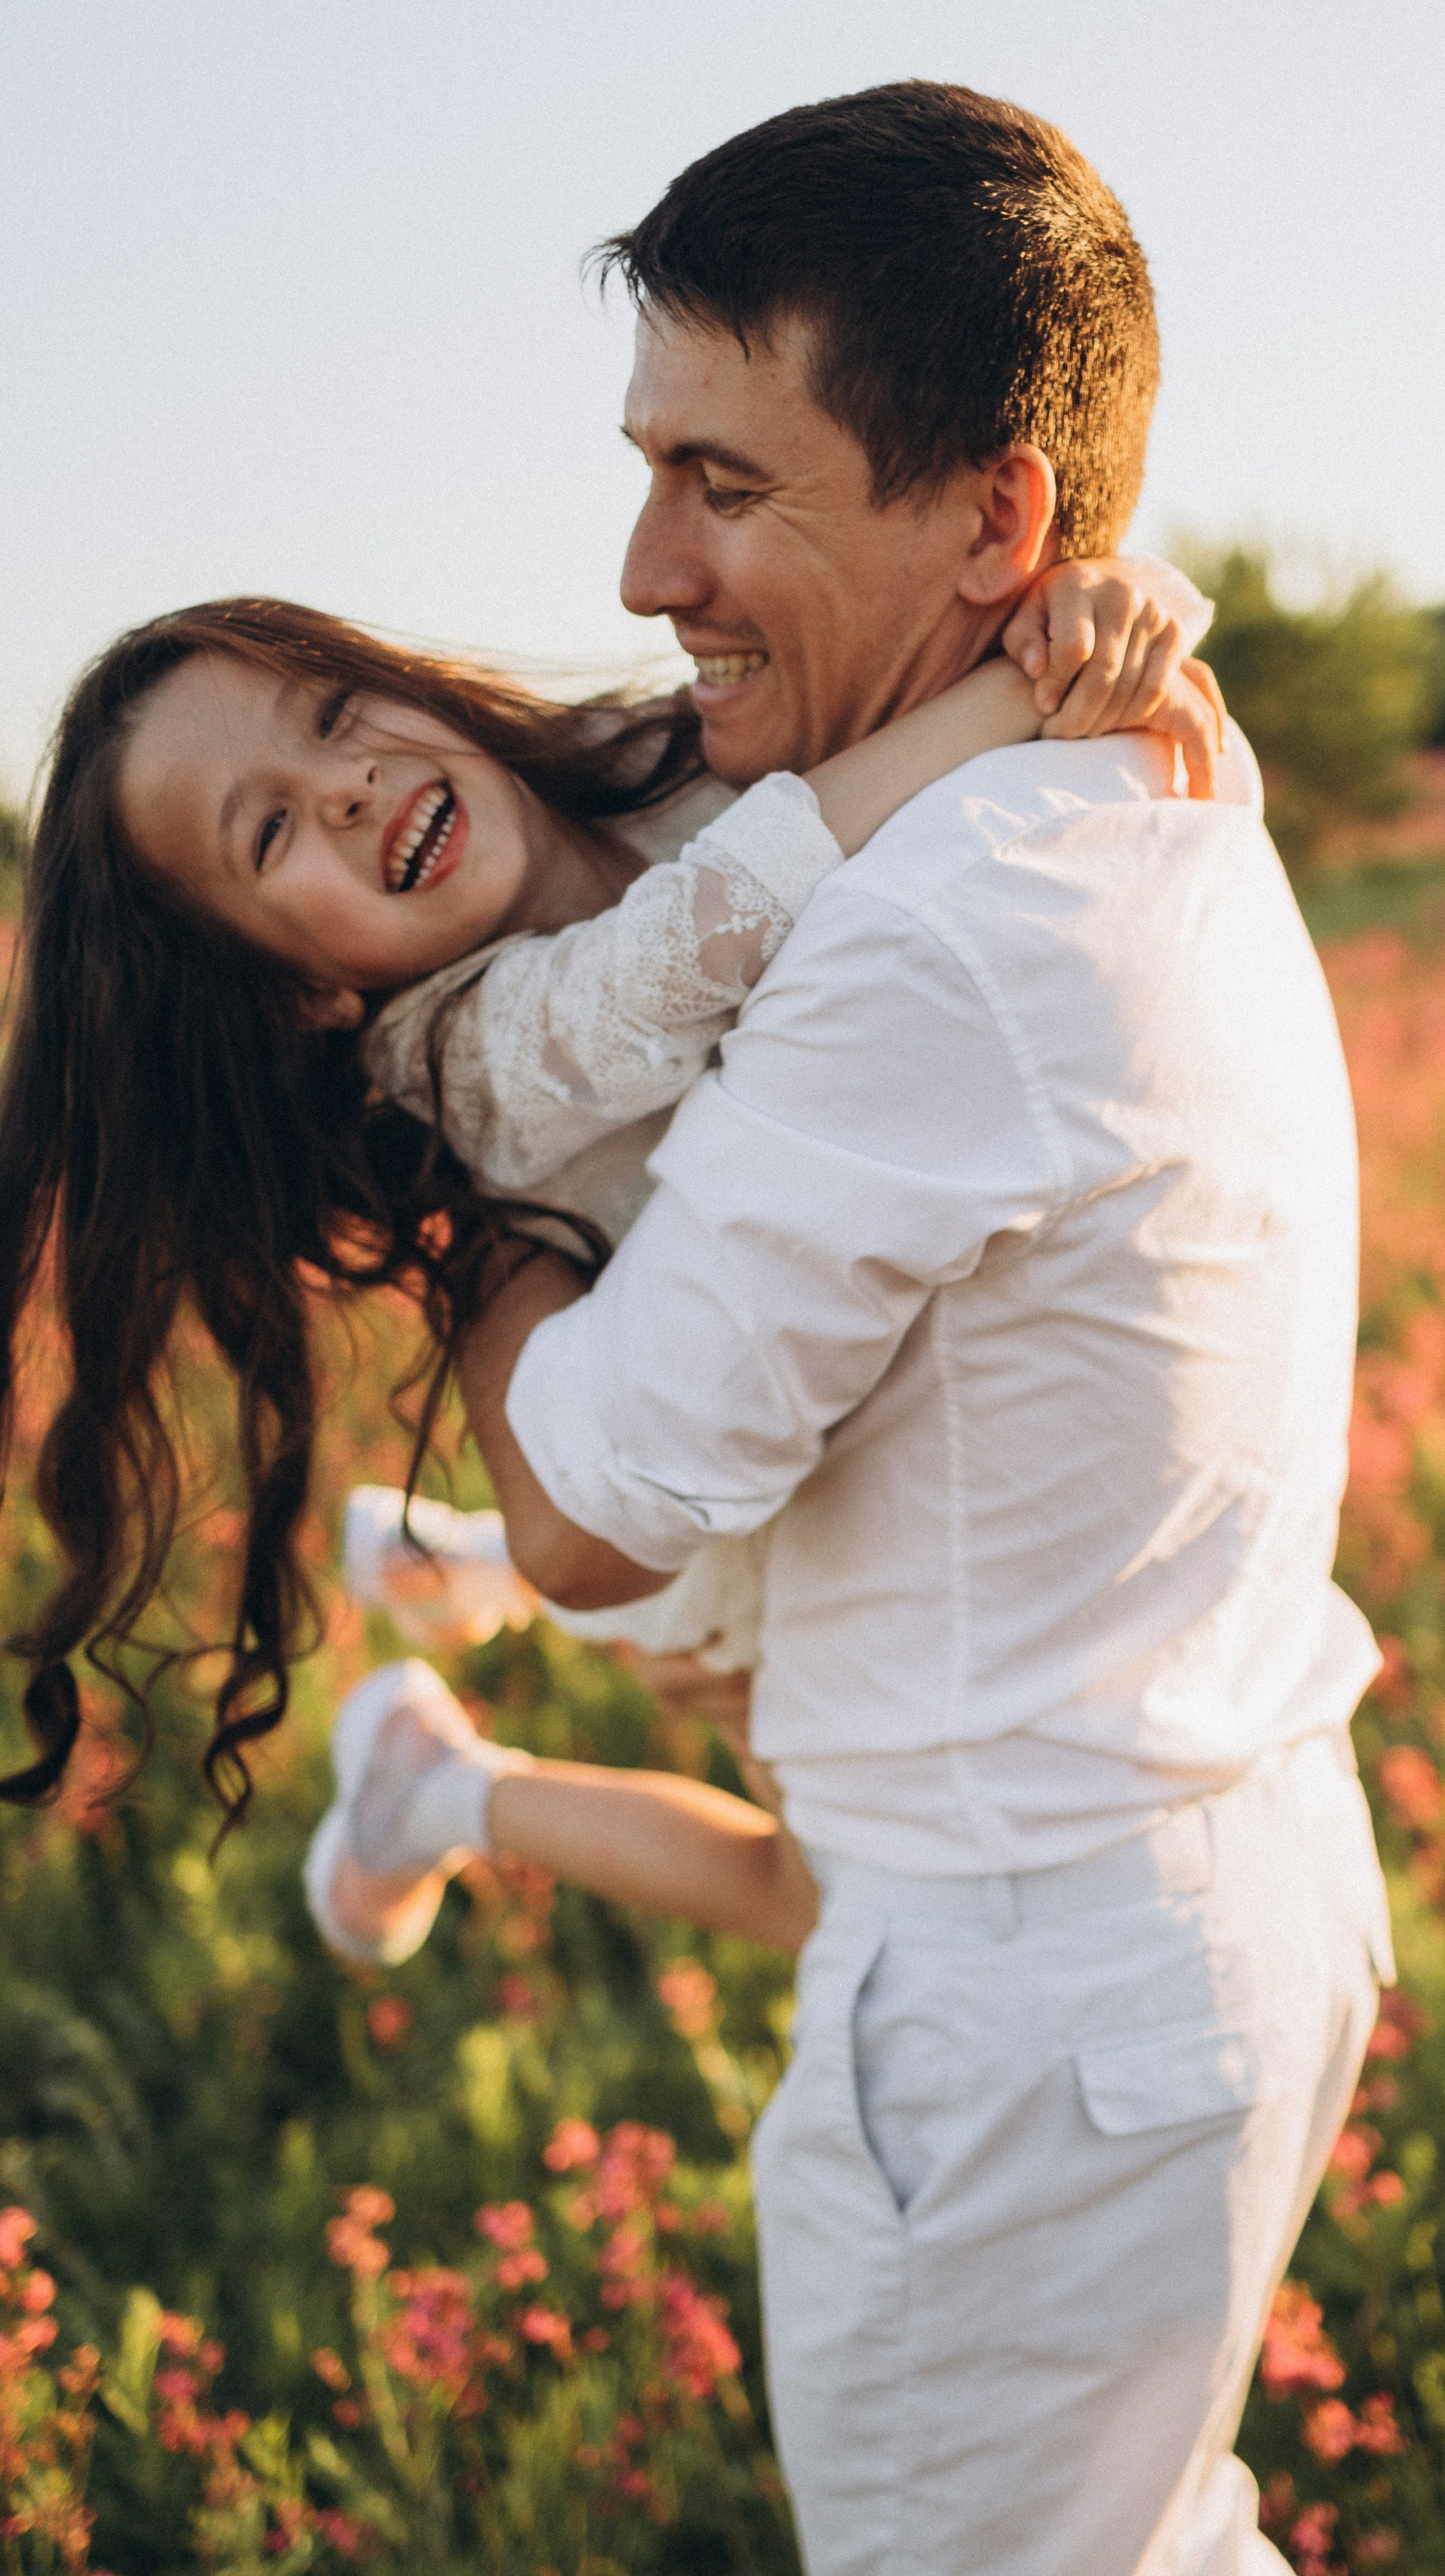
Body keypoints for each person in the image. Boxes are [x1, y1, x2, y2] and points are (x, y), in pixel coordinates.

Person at [446, 78, 1445, 2576]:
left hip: (1023, 1995)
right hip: (1210, 1897)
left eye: (727, 484)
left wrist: (467, 1224)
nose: (649, 569)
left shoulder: (939, 920)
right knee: (1152, 2561)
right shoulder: (1099, 789)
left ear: (997, 518)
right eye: (648, 467)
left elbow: (589, 1510)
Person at [0, 558, 1219, 1963]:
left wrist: (1105, 609)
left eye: (333, 714)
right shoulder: (455, 1051)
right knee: (815, 1894)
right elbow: (685, 949)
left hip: (795, 1369)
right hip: (722, 1506)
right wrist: (1018, 697)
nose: (343, 787)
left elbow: (920, 685)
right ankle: (436, 1786)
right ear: (304, 990)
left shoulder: (643, 755)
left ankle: (458, 1575)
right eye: (269, 832)